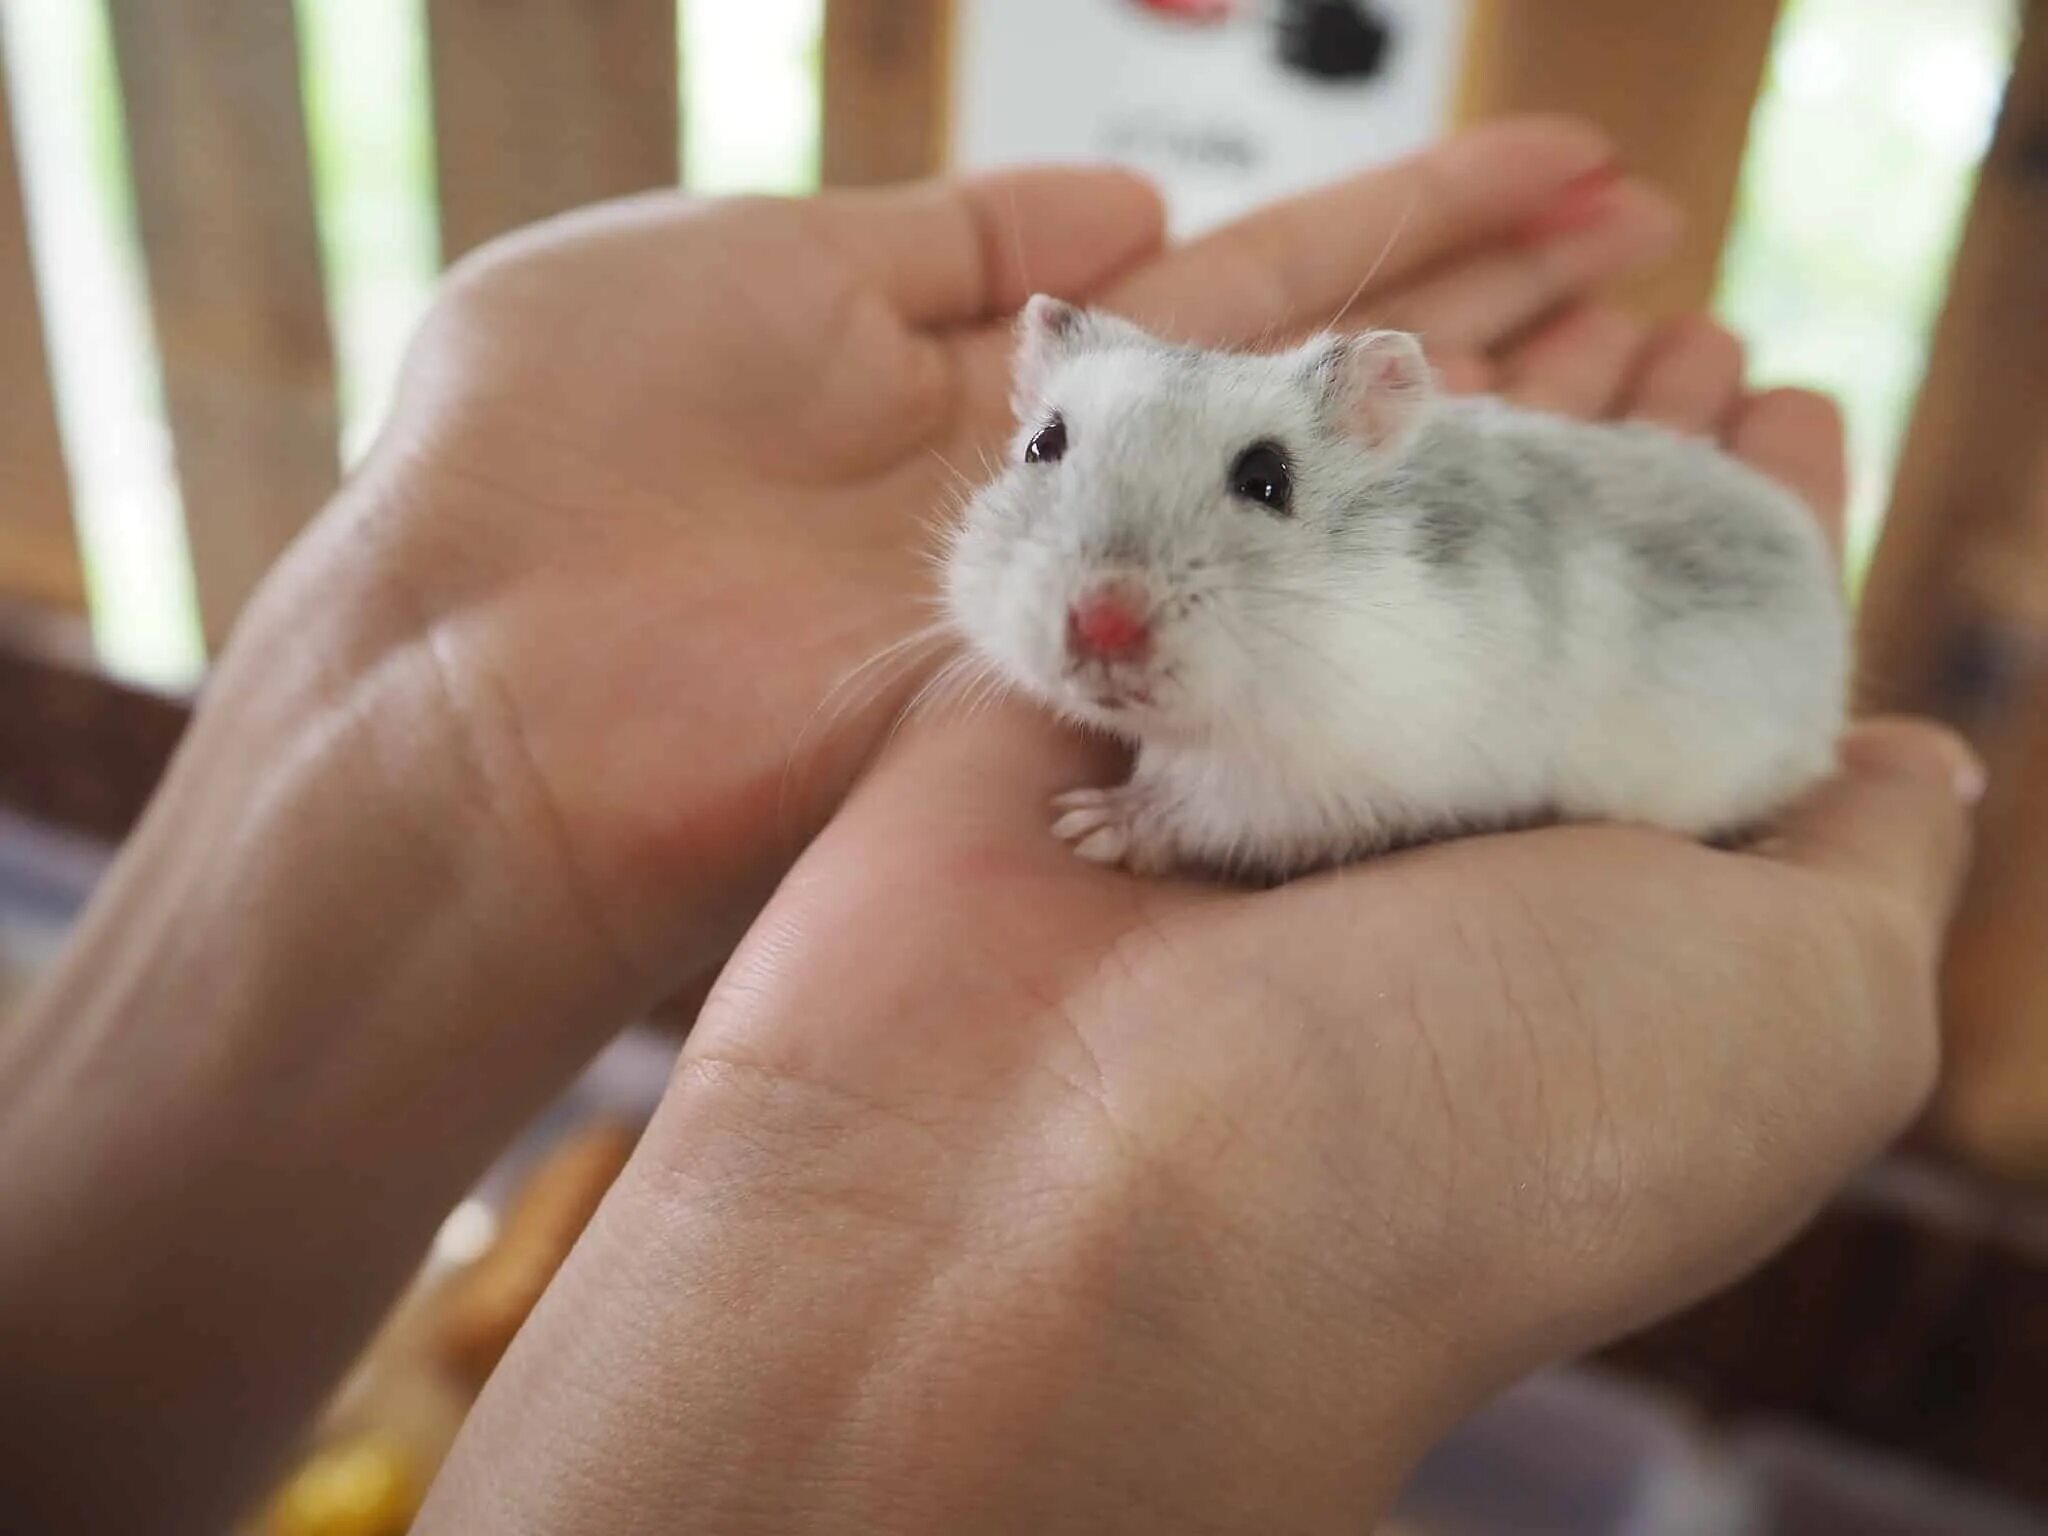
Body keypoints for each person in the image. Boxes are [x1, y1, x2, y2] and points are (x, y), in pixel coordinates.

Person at [0, 118, 1978, 1534]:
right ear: (1033, 406)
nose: (1104, 613)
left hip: (1706, 673)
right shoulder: (1093, 557)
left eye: (1261, 490)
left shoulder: (1446, 619)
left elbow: (1366, 773)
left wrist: (1203, 814)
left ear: (1362, 440)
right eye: (1051, 462)